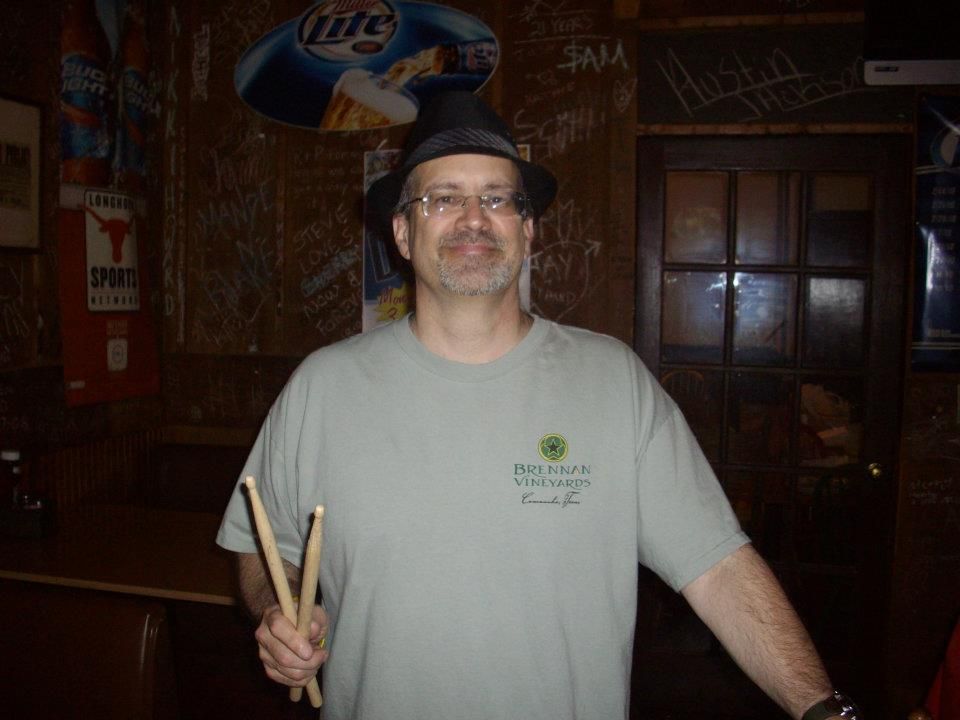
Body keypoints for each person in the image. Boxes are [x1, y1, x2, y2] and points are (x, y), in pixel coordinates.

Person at [216, 91, 858, 720]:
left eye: (496, 199)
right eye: (443, 199)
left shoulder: (613, 381)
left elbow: (719, 569)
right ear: (403, 233)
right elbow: (262, 541)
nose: (473, 218)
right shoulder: (323, 387)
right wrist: (280, 609)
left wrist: (824, 709)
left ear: (526, 230)